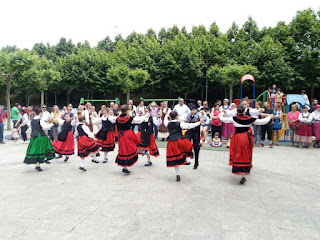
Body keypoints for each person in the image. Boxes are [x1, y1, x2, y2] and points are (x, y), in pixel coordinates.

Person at [219, 104, 272, 184]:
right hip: (246, 137)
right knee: (245, 154)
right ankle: (244, 174)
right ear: (244, 111)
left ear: (237, 111)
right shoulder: (250, 119)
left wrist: (220, 114)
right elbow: (262, 122)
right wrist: (269, 117)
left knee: (238, 153)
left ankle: (240, 173)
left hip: (237, 137)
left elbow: (224, 119)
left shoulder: (234, 118)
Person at [164, 111, 202, 181]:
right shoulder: (180, 124)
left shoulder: (168, 123)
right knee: (188, 146)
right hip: (179, 141)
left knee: (175, 158)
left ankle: (177, 174)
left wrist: (166, 116)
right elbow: (189, 126)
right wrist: (199, 122)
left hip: (171, 142)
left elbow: (165, 121)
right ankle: (187, 159)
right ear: (177, 116)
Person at [115, 105, 146, 174]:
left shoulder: (117, 119)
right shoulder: (129, 118)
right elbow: (139, 121)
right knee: (132, 147)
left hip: (121, 135)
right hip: (128, 134)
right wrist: (145, 116)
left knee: (123, 150)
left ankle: (124, 167)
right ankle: (142, 151)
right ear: (127, 111)